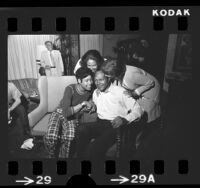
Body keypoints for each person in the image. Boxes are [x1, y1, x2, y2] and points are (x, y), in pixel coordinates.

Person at [75, 69, 143, 161]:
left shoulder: (120, 92)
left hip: (114, 126)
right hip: (100, 124)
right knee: (80, 129)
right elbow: (96, 105)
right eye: (96, 80)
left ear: (108, 79)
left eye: (101, 80)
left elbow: (139, 110)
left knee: (93, 147)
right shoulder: (96, 92)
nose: (98, 83)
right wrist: (92, 106)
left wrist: (124, 120)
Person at [44, 67, 94, 158]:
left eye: (91, 80)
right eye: (87, 80)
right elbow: (66, 112)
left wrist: (91, 105)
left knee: (70, 137)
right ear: (79, 80)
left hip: (73, 117)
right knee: (51, 136)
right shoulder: (70, 88)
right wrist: (82, 104)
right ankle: (50, 157)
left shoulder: (90, 91)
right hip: (59, 112)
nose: (90, 83)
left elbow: (92, 102)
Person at [8, 82, 32, 154]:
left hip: (11, 105)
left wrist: (9, 110)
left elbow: (18, 100)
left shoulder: (10, 85)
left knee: (21, 109)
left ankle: (27, 134)